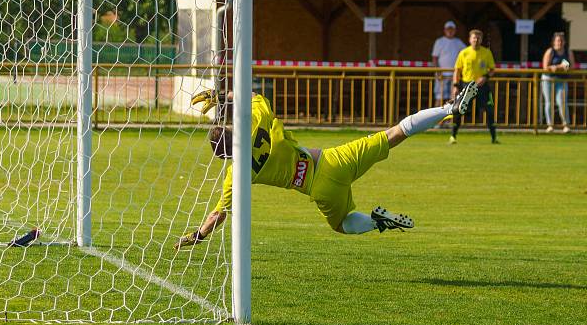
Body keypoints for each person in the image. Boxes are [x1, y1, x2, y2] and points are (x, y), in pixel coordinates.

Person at [174, 82, 479, 249]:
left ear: (224, 157)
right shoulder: (255, 123)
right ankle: (450, 108)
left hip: (319, 190)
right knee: (395, 133)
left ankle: (376, 222)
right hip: (334, 159)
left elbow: (219, 214)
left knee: (342, 225)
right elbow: (252, 95)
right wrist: (220, 97)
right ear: (232, 131)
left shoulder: (237, 175)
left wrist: (197, 236)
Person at [450, 29, 497, 144]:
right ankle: (453, 136)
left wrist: (485, 76)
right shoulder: (464, 52)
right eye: (474, 37)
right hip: (466, 85)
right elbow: (457, 70)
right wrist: (456, 85)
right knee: (459, 110)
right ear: (470, 39)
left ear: (481, 39)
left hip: (482, 86)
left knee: (490, 110)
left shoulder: (486, 52)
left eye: (478, 38)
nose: (476, 40)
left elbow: (492, 70)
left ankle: (494, 138)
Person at [541, 32, 576, 133]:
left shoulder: (568, 52)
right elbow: (545, 67)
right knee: (549, 102)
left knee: (562, 102)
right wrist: (554, 67)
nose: (559, 42)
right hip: (548, 79)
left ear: (564, 42)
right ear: (554, 42)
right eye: (557, 41)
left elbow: (572, 66)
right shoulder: (550, 52)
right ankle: (550, 125)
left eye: (561, 40)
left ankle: (566, 125)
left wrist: (559, 67)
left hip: (562, 80)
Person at [432, 21, 466, 107]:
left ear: (455, 30)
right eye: (448, 29)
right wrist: (437, 71)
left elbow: (466, 55)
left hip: (454, 75)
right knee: (439, 98)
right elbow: (435, 58)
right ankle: (436, 120)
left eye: (452, 29)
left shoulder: (459, 42)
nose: (450, 31)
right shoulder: (439, 41)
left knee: (452, 98)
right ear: (444, 30)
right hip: (441, 75)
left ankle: (449, 120)